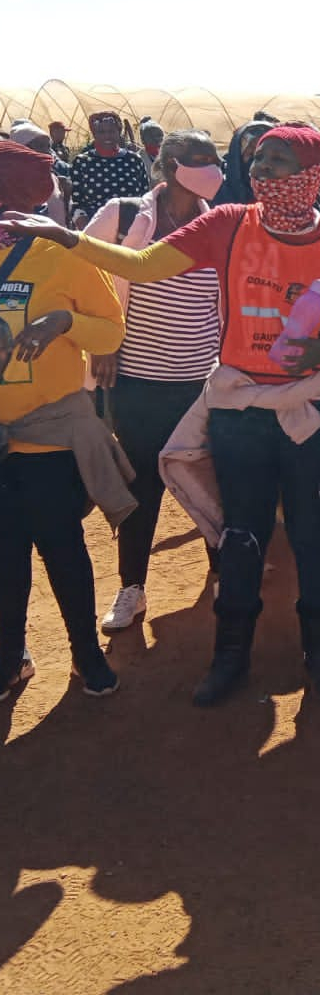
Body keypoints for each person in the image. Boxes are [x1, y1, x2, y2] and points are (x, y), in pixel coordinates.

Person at [0, 124, 320, 706]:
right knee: (241, 534)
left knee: (311, 532)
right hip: (239, 409)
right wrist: (67, 237)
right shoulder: (228, 223)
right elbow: (142, 265)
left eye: (279, 161)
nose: (262, 171)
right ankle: (230, 656)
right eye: (259, 159)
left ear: (310, 174)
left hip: (314, 409)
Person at [0, 141, 130, 701]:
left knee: (62, 549)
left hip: (48, 438)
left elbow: (111, 331)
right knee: (4, 557)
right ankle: (10, 657)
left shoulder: (63, 254)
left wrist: (64, 321)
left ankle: (85, 652)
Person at [85, 129, 223, 633]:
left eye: (213, 157)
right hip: (138, 380)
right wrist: (103, 341)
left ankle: (221, 573)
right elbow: (86, 274)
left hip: (203, 381)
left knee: (208, 478)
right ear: (166, 166)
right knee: (142, 481)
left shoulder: (218, 224)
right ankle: (132, 587)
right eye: (196, 159)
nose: (210, 167)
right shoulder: (124, 216)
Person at [69, 110, 148, 224]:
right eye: (101, 132)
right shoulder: (82, 162)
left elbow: (145, 197)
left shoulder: (134, 160)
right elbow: (76, 201)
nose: (107, 136)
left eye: (111, 131)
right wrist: (85, 225)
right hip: (94, 225)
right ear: (94, 134)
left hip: (131, 225)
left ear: (119, 132)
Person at [214, 120, 273, 205]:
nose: (254, 157)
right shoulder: (217, 185)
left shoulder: (279, 191)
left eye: (261, 153)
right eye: (251, 148)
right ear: (237, 150)